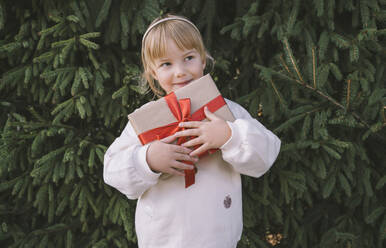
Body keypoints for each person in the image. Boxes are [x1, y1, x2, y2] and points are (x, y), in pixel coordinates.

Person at [103, 14, 281, 248]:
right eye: (166, 64)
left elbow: (266, 154)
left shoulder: (225, 110)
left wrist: (230, 136)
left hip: (216, 238)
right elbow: (112, 170)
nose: (180, 72)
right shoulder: (146, 119)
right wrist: (146, 159)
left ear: (203, 60)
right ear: (153, 73)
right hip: (163, 239)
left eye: (188, 58)